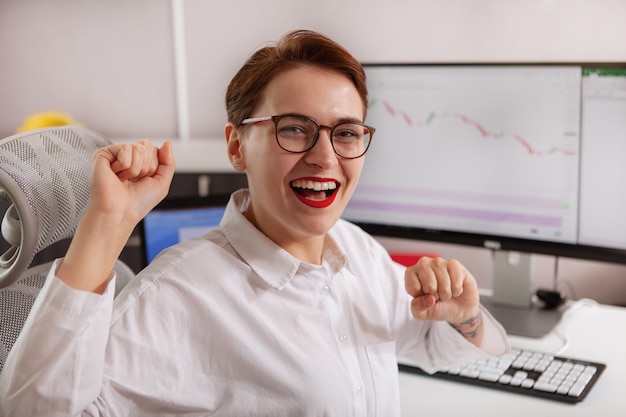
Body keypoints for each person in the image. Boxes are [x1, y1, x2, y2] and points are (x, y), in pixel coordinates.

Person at [0, 29, 509, 416]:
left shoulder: (357, 252)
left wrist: (463, 317)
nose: (325, 157)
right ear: (236, 145)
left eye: (346, 133)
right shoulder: (180, 293)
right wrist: (106, 223)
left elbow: (427, 346)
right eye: (294, 129)